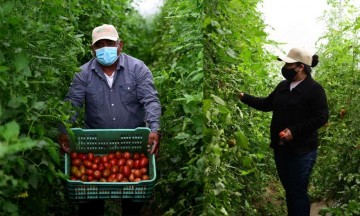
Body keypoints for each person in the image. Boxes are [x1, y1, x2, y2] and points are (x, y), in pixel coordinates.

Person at [58, 24, 161, 216]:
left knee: (133, 198)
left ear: (120, 45)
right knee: (90, 201)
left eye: (110, 43)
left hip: (132, 145)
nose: (105, 48)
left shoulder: (138, 69)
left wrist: (154, 128)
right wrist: (64, 130)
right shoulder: (83, 74)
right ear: (93, 49)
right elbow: (72, 104)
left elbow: (150, 100)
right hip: (95, 146)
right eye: (99, 45)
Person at [238, 48, 329, 216]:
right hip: (281, 149)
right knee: (290, 189)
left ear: (300, 67)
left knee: (297, 191)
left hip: (303, 151)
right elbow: (266, 104)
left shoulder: (315, 90)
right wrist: (243, 97)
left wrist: (294, 131)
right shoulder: (283, 86)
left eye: (289, 64)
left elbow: (321, 117)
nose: (285, 67)